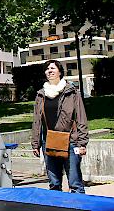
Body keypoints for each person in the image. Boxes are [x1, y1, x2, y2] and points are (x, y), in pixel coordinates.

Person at [31, 60, 89, 194]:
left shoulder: (71, 92)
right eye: (47, 69)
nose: (49, 71)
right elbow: (36, 121)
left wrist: (82, 143)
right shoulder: (41, 94)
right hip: (49, 140)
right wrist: (36, 143)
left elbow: (81, 117)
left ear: (60, 72)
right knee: (54, 184)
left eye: (53, 68)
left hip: (70, 141)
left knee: (75, 184)